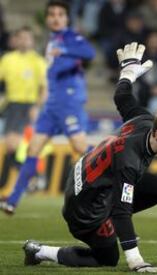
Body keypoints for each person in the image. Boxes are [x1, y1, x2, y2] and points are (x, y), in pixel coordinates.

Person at [22, 42, 157, 273]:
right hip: (83, 209)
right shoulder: (130, 160)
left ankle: (106, 217)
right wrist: (136, 261)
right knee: (107, 258)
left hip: (86, 174)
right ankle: (39, 251)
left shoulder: (144, 119)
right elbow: (123, 211)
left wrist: (128, 73)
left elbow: (122, 96)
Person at [0, 0, 95, 215]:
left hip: (69, 102)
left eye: (60, 14)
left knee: (81, 148)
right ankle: (12, 200)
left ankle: (117, 174)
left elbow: (89, 53)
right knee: (33, 149)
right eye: (51, 14)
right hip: (52, 104)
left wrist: (64, 50)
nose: (55, 18)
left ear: (67, 18)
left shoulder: (70, 37)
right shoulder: (51, 38)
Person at [0, 26, 47, 183]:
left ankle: (34, 176)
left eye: (27, 38)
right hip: (11, 105)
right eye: (21, 37)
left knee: (21, 145)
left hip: (29, 106)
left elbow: (45, 88)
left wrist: (37, 106)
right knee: (11, 146)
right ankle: (32, 177)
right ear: (16, 40)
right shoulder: (7, 59)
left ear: (32, 41)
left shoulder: (38, 61)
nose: (24, 41)